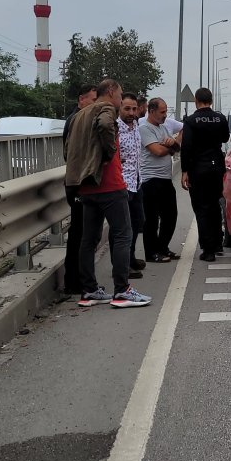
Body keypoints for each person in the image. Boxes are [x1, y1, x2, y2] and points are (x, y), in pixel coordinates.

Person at [64, 78, 151, 309]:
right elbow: (104, 126)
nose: (121, 100)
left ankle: (89, 290)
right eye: (120, 96)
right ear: (111, 93)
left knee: (88, 239)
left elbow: (68, 147)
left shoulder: (80, 114)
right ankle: (122, 290)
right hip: (110, 184)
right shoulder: (106, 109)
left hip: (87, 184)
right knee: (123, 234)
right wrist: (110, 151)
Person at [179, 87, 230, 262]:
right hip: (217, 167)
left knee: (201, 208)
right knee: (215, 205)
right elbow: (225, 138)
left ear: (196, 101)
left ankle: (208, 250)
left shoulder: (191, 121)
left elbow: (186, 146)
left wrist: (184, 170)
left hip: (198, 169)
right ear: (211, 100)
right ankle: (217, 243)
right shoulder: (220, 118)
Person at [62, 84, 96, 298]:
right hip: (78, 184)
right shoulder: (76, 121)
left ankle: (78, 280)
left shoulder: (79, 118)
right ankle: (74, 281)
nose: (95, 106)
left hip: (78, 182)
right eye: (93, 101)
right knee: (79, 234)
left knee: (83, 233)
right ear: (81, 100)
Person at [139, 98, 181, 263]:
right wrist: (170, 146)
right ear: (152, 111)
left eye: (165, 112)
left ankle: (163, 247)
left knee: (170, 215)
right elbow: (156, 150)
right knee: (151, 219)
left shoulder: (163, 128)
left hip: (165, 178)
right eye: (162, 112)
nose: (165, 115)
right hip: (150, 179)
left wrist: (172, 143)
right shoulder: (144, 129)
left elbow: (177, 148)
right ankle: (151, 252)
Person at [118, 92, 146, 279]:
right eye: (127, 108)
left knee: (137, 222)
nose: (131, 112)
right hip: (122, 184)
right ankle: (121, 266)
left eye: (134, 109)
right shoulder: (115, 128)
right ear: (120, 108)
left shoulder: (135, 125)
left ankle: (131, 257)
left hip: (137, 180)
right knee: (122, 228)